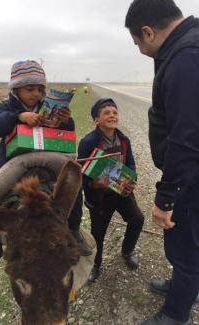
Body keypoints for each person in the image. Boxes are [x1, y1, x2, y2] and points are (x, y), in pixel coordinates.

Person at [125, 1, 199, 324]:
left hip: (192, 179)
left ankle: (175, 313)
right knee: (188, 247)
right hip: (191, 175)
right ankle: (183, 286)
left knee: (186, 248)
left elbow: (187, 140)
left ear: (148, 32)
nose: (140, 49)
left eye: (138, 43)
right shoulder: (187, 46)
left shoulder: (185, 58)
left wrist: (165, 197)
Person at [0, 60, 89, 273]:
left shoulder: (48, 105)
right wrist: (19, 116)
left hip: (48, 155)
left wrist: (67, 121)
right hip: (15, 160)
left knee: (75, 185)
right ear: (16, 88)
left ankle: (74, 229)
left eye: (40, 89)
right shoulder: (7, 106)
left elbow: (67, 131)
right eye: (30, 88)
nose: (36, 94)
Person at [78, 98, 144, 282]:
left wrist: (133, 179)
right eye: (106, 113)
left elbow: (130, 163)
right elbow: (82, 174)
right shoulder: (87, 143)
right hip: (100, 198)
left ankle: (126, 252)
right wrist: (94, 185)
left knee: (137, 219)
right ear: (96, 120)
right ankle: (96, 265)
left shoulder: (124, 140)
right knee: (98, 234)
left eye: (114, 112)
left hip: (121, 191)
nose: (112, 115)